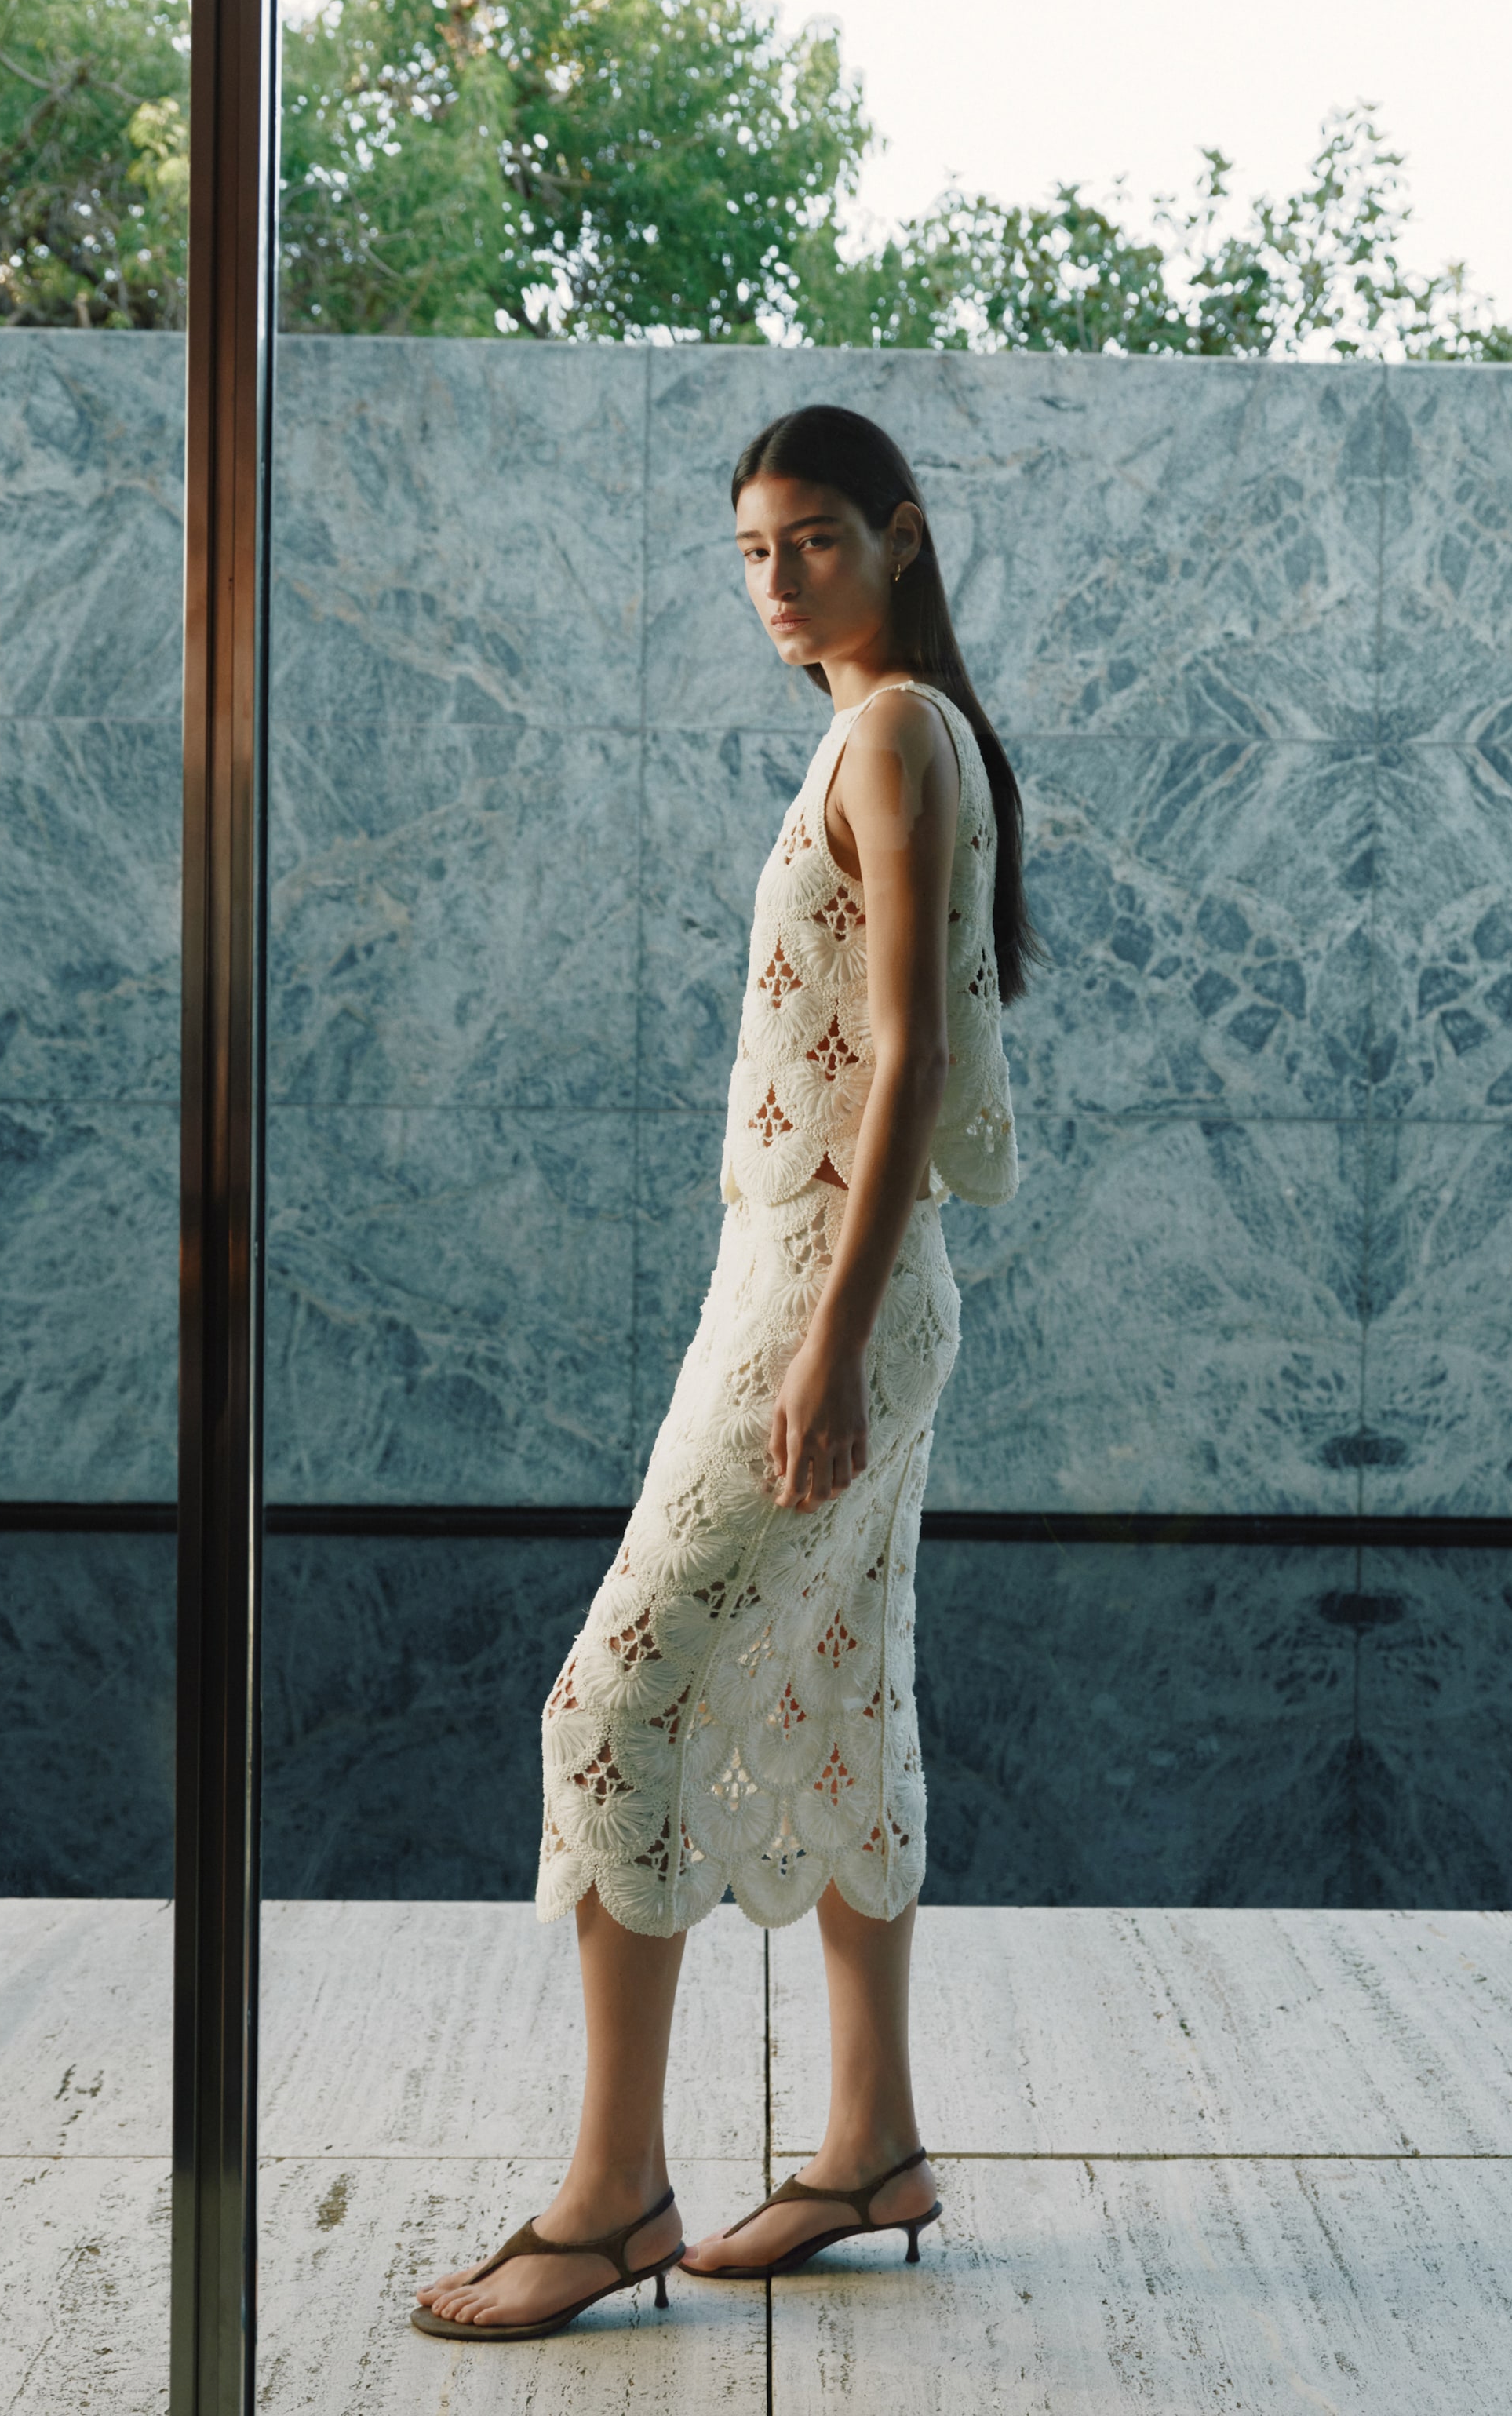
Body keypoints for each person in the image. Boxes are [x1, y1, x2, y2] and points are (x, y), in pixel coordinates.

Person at [412, 403, 1041, 2343]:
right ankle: (873, 2148)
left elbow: (914, 1058)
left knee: (612, 1697)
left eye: (818, 543)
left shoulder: (892, 734)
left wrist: (829, 1346)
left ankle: (612, 2200)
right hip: (803, 1277)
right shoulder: (875, 735)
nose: (780, 583)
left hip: (825, 1295)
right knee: (846, 1687)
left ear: (904, 539)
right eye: (754, 552)